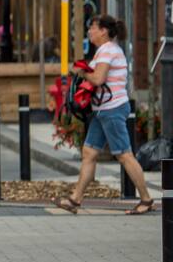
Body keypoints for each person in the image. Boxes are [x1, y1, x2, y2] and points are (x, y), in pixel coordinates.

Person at [57, 14, 153, 214]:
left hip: (112, 109)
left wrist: (82, 72)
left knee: (124, 155)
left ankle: (146, 199)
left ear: (103, 31)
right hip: (103, 110)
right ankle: (75, 200)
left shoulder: (108, 50)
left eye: (92, 28)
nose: (90, 32)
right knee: (89, 153)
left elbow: (99, 79)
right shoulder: (106, 50)